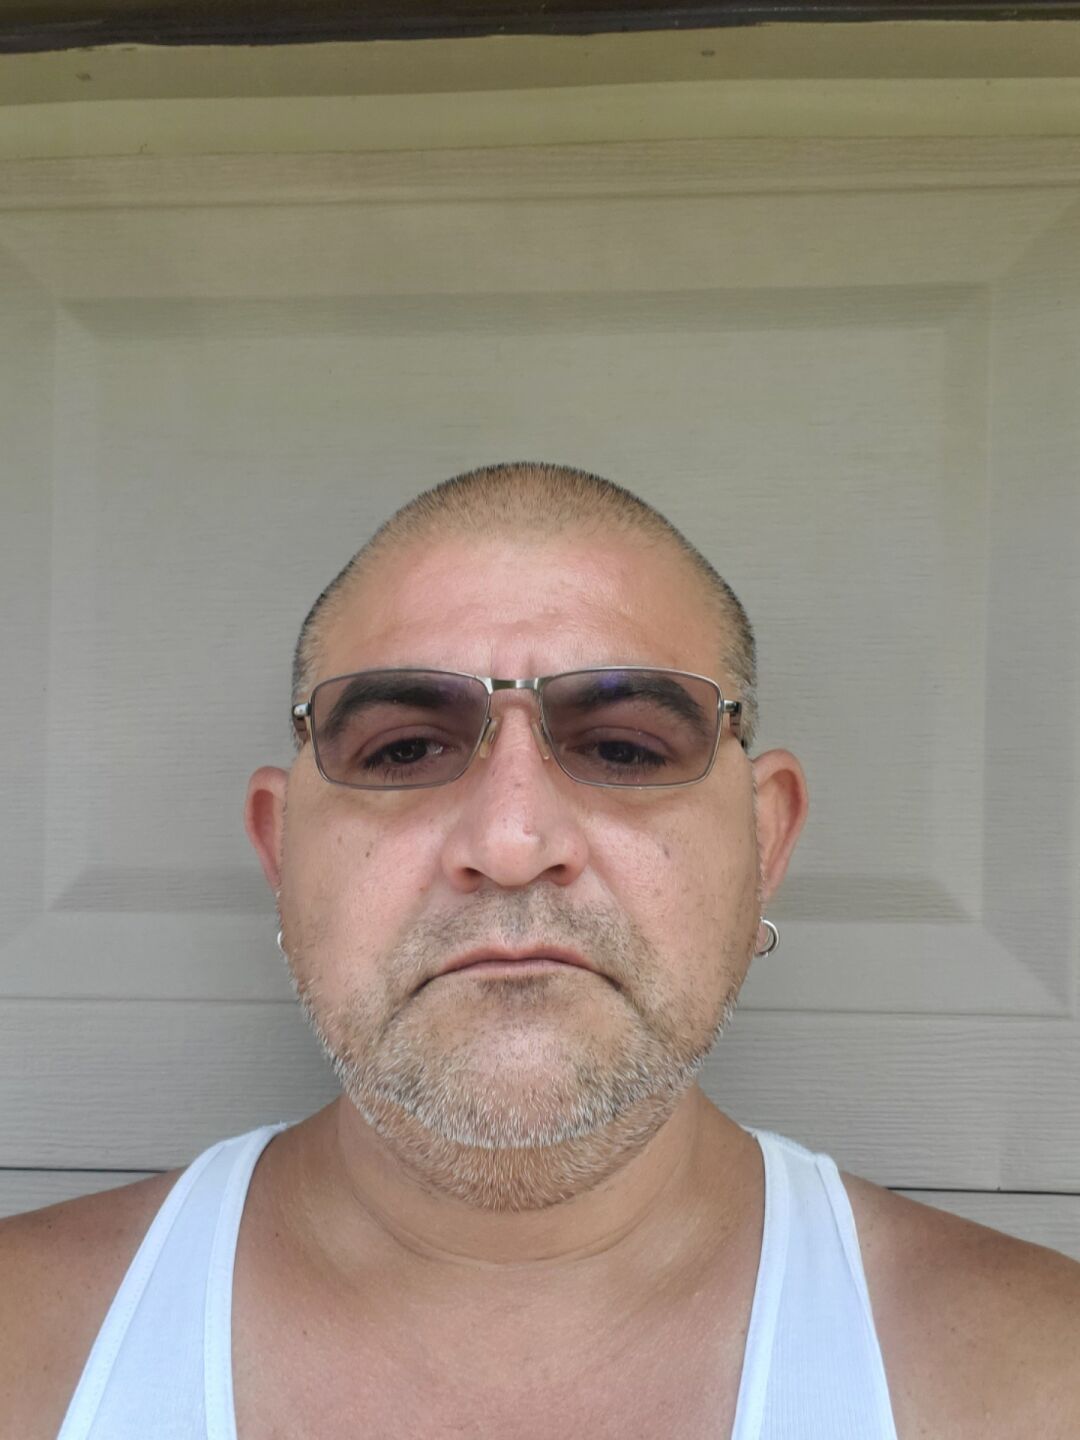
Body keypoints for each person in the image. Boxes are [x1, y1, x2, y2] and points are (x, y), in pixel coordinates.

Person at [2, 461, 1078, 1440]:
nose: (512, 842)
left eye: (625, 748)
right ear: (281, 852)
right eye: (404, 748)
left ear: (766, 841)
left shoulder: (1039, 1382)